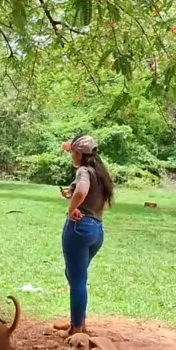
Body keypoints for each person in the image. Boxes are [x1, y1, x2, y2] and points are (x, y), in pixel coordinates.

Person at [56, 134, 114, 335]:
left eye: (72, 152)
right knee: (74, 275)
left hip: (79, 228)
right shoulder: (100, 173)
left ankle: (77, 329)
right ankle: (78, 320)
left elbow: (82, 190)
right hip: (96, 230)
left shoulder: (83, 170)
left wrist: (72, 208)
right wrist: (71, 195)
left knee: (77, 279)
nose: (71, 156)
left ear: (79, 154)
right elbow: (95, 199)